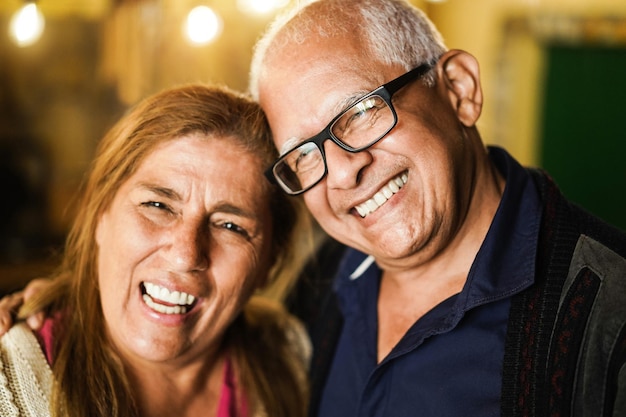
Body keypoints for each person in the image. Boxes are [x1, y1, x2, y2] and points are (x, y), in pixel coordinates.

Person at [247, 0, 626, 416]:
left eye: (359, 112)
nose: (341, 174)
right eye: (302, 154)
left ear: (459, 89)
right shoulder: (318, 283)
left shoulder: (612, 318)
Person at [0, 84, 312, 417]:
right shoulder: (11, 385)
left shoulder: (293, 358)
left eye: (230, 227)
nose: (185, 255)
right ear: (98, 214)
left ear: (270, 262)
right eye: (157, 205)